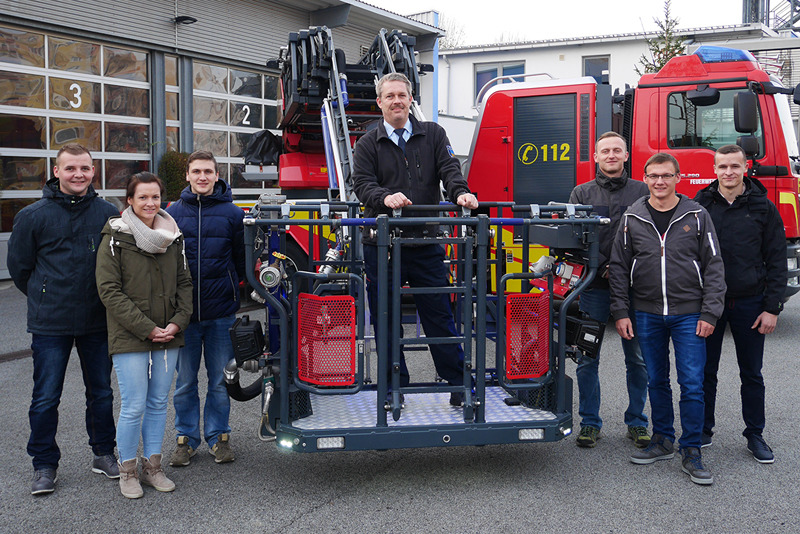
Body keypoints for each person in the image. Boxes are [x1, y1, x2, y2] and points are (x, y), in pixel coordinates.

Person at [352, 72, 478, 405]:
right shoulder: (366, 144)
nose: (396, 101)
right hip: (383, 246)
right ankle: (395, 389)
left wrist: (461, 193)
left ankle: (460, 386)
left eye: (402, 95)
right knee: (386, 319)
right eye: (389, 96)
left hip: (425, 242)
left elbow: (450, 171)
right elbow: (362, 184)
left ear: (411, 100)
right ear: (379, 102)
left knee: (439, 316)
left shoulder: (434, 134)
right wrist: (384, 197)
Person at [8, 143, 120, 496]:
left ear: (93, 172)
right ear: (56, 171)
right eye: (70, 168)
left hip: (97, 320)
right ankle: (44, 464)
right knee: (45, 397)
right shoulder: (33, 215)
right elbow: (20, 269)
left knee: (101, 393)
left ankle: (103, 453)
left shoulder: (107, 213)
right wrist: (44, 294)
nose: (78, 175)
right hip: (50, 322)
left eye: (84, 168)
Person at [609, 153, 726, 485]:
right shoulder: (633, 217)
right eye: (653, 176)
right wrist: (620, 311)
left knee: (691, 384)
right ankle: (662, 440)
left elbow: (715, 266)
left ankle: (691, 450)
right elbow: (618, 267)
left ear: (678, 178)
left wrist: (710, 311)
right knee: (656, 380)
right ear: (644, 179)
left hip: (690, 314)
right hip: (646, 313)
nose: (659, 181)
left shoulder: (697, 215)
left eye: (666, 175)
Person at [95, 172, 192, 499]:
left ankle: (153, 468)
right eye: (142, 197)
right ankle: (128, 471)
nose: (150, 203)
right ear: (130, 201)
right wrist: (146, 327)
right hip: (130, 335)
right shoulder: (115, 235)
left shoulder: (173, 236)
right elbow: (109, 290)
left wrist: (177, 323)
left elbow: (184, 285)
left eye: (155, 197)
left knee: (156, 403)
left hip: (169, 334)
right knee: (134, 404)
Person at [694, 144, 786, 463]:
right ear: (714, 169)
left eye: (735, 166)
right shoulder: (700, 204)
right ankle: (703, 430)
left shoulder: (763, 206)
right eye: (722, 167)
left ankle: (755, 434)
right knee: (705, 371)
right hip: (710, 304)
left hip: (751, 302)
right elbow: (688, 256)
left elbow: (777, 259)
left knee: (752, 373)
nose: (728, 173)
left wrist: (772, 307)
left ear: (745, 167)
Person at [568, 132, 650, 449]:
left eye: (617, 150)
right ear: (597, 157)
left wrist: (623, 269)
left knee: (639, 360)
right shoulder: (581, 193)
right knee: (588, 359)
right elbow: (576, 237)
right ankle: (590, 423)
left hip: (635, 290)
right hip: (595, 287)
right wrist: (605, 266)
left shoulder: (642, 192)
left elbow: (649, 237)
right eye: (606, 151)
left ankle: (638, 423)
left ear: (626, 155)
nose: (612, 155)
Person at [166, 150, 245, 466]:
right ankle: (185, 440)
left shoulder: (233, 215)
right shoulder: (171, 214)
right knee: (185, 382)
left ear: (216, 176)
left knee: (218, 381)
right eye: (196, 171)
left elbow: (241, 261)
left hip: (220, 313)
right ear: (187, 175)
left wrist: (234, 292)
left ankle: (218, 438)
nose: (202, 177)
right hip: (183, 317)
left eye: (208, 172)